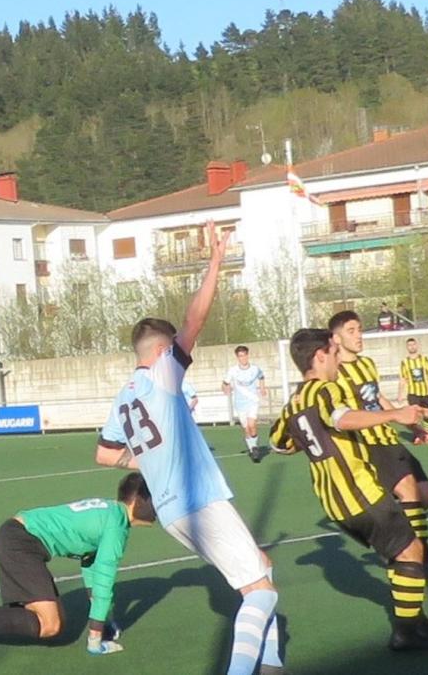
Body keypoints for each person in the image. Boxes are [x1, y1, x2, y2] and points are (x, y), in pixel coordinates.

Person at [94, 221, 285, 675]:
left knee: (261, 566)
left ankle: (273, 664)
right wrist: (216, 260)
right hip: (198, 499)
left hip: (170, 509)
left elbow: (103, 454)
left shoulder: (123, 396)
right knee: (262, 592)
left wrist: (141, 459)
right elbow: (195, 320)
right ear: (161, 350)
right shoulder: (163, 373)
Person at [269, 328, 428, 651]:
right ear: (320, 356)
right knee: (411, 552)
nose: (339, 360)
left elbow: (279, 443)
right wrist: (395, 413)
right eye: (334, 354)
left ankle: (417, 622)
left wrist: (311, 437)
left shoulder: (294, 402)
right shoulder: (323, 391)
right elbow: (340, 418)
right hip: (358, 492)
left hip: (335, 501)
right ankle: (406, 633)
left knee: (403, 552)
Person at [329, 311, 428, 579]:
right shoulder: (334, 374)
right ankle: (421, 561)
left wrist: (412, 425)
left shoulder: (367, 364)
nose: (358, 335)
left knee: (425, 494)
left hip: (388, 439)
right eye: (351, 331)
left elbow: (377, 397)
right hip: (368, 445)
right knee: (409, 491)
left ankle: (398, 543)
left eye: (359, 329)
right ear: (336, 338)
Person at [0, 473, 155, 654]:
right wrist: (95, 639)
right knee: (50, 625)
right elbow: (104, 581)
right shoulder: (116, 526)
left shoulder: (111, 512)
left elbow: (90, 565)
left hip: (16, 537)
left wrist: (104, 619)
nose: (159, 509)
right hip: (20, 542)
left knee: (57, 618)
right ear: (139, 501)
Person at [223, 345, 268, 462]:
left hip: (252, 400)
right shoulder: (233, 370)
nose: (242, 358)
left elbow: (261, 376)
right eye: (240, 356)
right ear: (237, 357)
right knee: (246, 428)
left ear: (248, 355)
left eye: (244, 355)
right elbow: (225, 383)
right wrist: (226, 389)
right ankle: (252, 448)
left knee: (252, 424)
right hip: (239, 403)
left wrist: (262, 388)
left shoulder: (255, 369)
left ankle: (254, 447)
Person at [398, 338, 428, 436]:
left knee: (426, 413)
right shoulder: (405, 362)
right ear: (407, 347)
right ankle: (418, 434)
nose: (412, 347)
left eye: (413, 344)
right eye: (409, 345)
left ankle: (427, 432)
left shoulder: (424, 360)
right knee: (415, 414)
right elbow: (403, 379)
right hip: (413, 393)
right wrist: (400, 394)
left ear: (417, 346)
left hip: (425, 392)